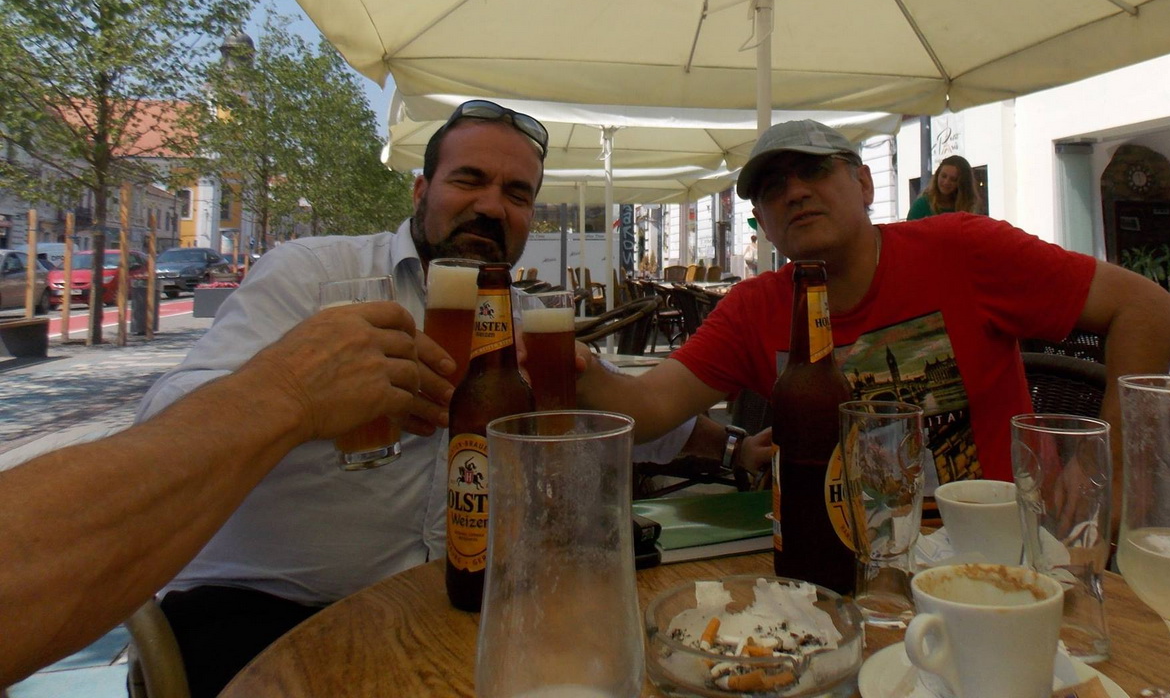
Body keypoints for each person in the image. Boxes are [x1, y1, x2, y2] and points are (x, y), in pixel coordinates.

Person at [135, 99, 707, 698]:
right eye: (469, 179)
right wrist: (302, 394)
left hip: (459, 614)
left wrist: (734, 448)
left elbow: (630, 416)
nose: (492, 206)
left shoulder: (528, 320)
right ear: (420, 190)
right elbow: (163, 425)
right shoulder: (313, 275)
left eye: (517, 193)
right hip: (266, 615)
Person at [578, 119, 1170, 488]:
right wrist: (570, 360)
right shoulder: (753, 308)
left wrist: (1108, 469)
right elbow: (645, 410)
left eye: (814, 170)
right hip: (833, 566)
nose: (794, 192)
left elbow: (1147, 310)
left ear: (864, 184)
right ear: (762, 221)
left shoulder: (962, 248)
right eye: (772, 187)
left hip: (1001, 557)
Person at [0, 301, 452, 688]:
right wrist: (289, 390)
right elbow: (163, 407)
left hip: (427, 623)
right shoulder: (313, 267)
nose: (485, 222)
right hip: (262, 626)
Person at [908, 154, 980, 220]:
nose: (946, 182)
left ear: (962, 184)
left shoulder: (968, 206)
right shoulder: (922, 205)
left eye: (953, 179)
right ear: (937, 175)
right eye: (943, 176)